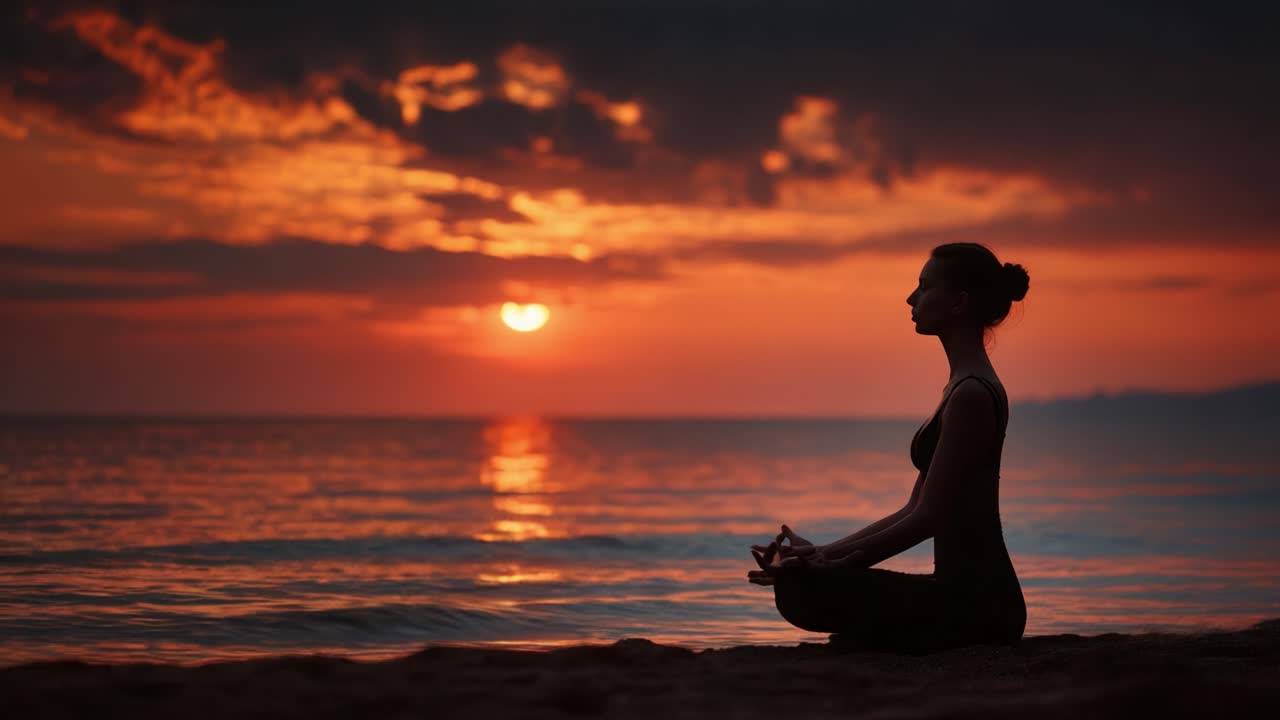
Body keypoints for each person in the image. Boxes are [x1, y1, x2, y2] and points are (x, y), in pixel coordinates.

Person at [747, 242, 1031, 654]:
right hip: (961, 594)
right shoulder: (962, 388)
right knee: (797, 582)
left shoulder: (972, 395)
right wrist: (821, 554)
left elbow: (927, 519)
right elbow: (912, 509)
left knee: (802, 591)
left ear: (958, 303)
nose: (911, 298)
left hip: (979, 605)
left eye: (924, 286)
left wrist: (836, 566)